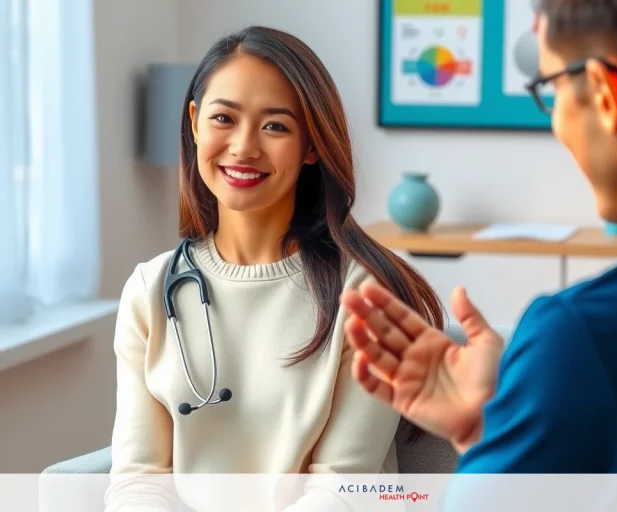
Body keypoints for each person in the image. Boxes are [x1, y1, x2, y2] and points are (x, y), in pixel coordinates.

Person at [341, 0, 617, 476]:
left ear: (605, 93)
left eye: (551, 87)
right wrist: (508, 431)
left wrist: (506, 430)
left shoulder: (583, 339)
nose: (556, 120)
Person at [105, 25, 443, 512]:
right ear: (195, 123)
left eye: (276, 126)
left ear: (312, 145)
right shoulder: (148, 291)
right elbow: (139, 481)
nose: (244, 147)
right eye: (224, 118)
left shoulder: (369, 296)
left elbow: (342, 491)